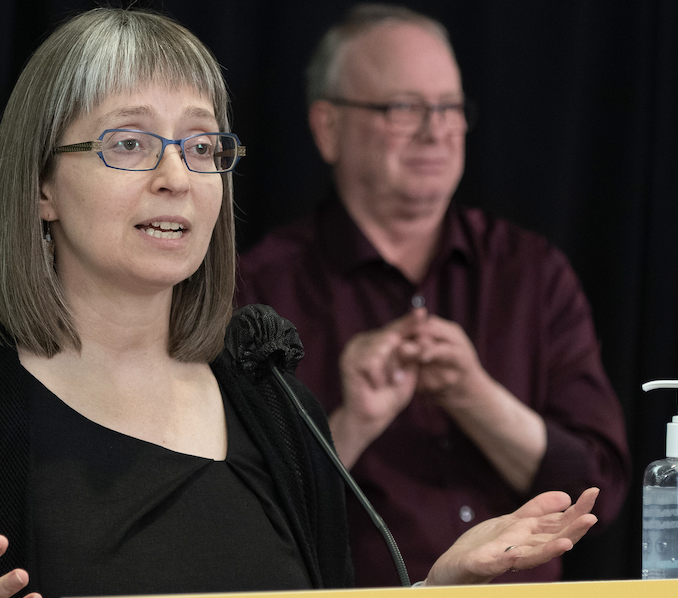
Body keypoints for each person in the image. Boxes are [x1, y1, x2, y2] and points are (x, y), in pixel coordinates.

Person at [0, 8, 600, 598]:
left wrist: (433, 592)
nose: (176, 177)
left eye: (201, 146)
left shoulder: (275, 407)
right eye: (127, 143)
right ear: (41, 186)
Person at [236, 4, 630, 586]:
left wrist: (478, 399)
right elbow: (243, 516)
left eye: (449, 108)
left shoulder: (532, 272)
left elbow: (601, 490)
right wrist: (352, 424)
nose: (436, 130)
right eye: (403, 108)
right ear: (328, 128)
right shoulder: (262, 289)